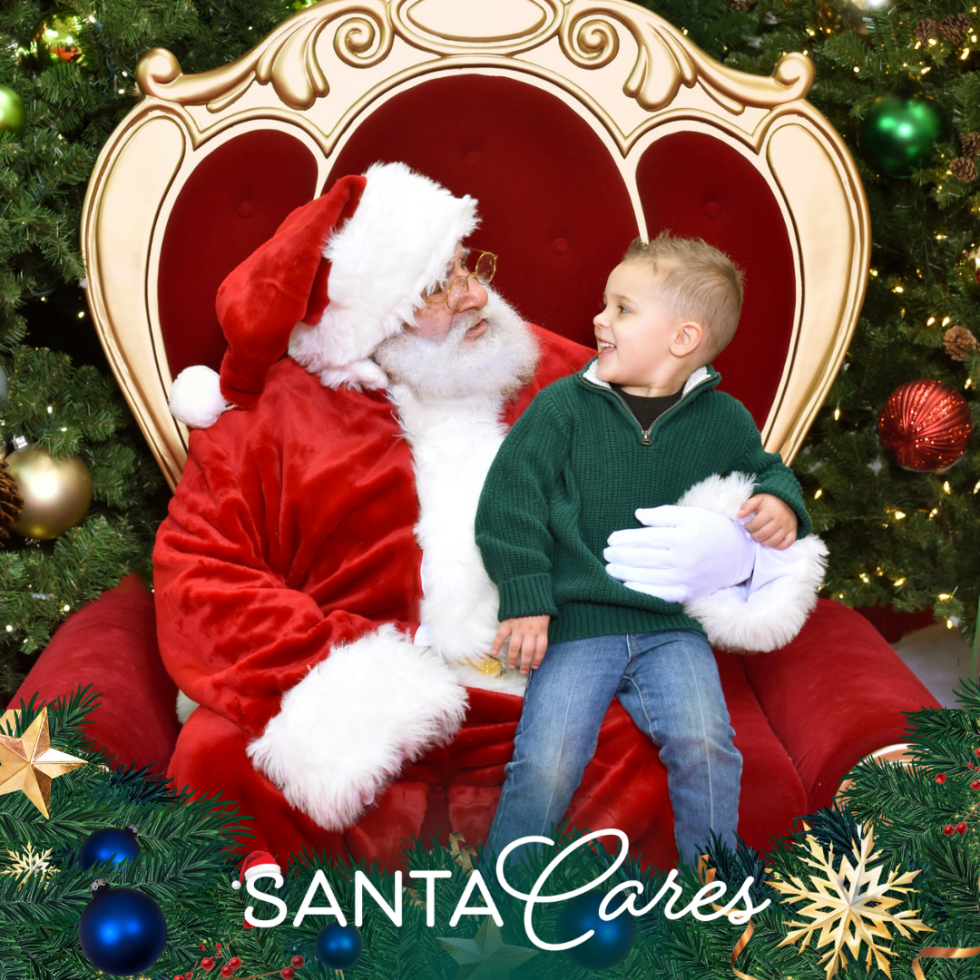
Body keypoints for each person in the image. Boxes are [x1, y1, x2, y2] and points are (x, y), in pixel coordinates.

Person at [155, 163, 824, 870]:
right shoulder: (266, 419)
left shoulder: (563, 374)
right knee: (213, 760)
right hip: (359, 698)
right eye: (439, 285)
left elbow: (714, 456)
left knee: (653, 757)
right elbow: (200, 574)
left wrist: (735, 547)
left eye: (468, 266)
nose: (475, 293)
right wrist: (356, 675)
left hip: (538, 680)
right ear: (370, 317)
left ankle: (588, 924)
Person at [475, 234, 816, 867]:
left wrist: (780, 501)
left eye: (623, 309)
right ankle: (497, 899)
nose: (599, 320)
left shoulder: (724, 420)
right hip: (580, 623)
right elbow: (508, 501)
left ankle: (717, 888)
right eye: (606, 304)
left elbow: (767, 470)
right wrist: (526, 597)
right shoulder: (562, 407)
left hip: (671, 630)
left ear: (683, 340)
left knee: (709, 747)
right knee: (547, 760)